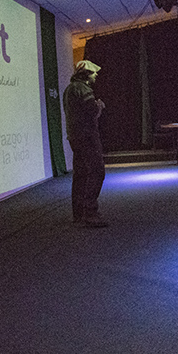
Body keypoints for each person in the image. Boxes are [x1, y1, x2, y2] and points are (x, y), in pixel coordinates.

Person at [62, 60, 108, 228]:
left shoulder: (69, 89)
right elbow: (92, 112)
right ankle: (90, 212)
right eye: (93, 73)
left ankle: (79, 213)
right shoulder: (84, 89)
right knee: (97, 171)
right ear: (86, 74)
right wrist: (99, 105)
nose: (96, 76)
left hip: (74, 136)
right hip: (87, 136)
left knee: (80, 174)